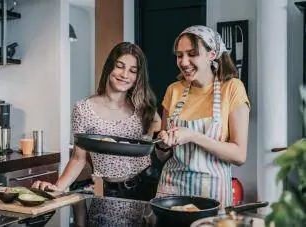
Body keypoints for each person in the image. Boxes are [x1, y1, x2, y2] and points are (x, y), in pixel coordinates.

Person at [32, 41, 160, 198]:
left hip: (149, 183)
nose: (125, 75)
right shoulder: (83, 109)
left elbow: (157, 122)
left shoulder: (141, 104)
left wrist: (148, 136)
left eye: (133, 71)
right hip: (112, 189)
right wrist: (57, 188)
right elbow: (78, 158)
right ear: (109, 67)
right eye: (120, 66)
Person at [155, 25, 250, 207]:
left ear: (211, 55)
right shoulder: (173, 90)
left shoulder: (232, 88)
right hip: (171, 191)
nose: (183, 62)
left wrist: (193, 136)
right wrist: (163, 143)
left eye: (192, 54)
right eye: (179, 55)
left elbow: (239, 155)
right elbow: (163, 157)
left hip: (211, 195)